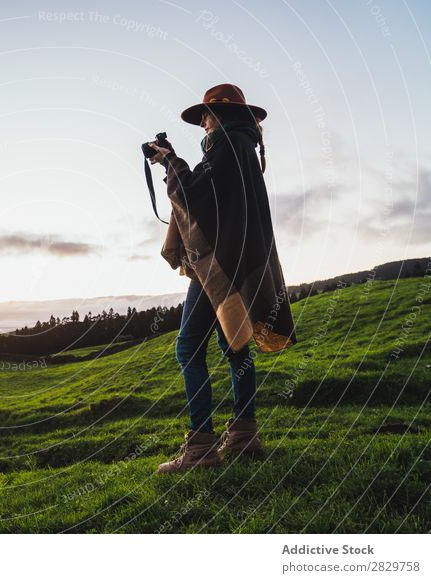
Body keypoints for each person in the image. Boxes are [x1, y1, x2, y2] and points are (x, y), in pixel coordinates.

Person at [146, 84, 298, 473]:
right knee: (234, 347)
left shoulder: (225, 146)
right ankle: (244, 435)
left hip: (220, 267)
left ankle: (200, 450)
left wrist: (171, 164)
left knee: (187, 349)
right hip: (242, 262)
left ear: (220, 116)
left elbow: (196, 199)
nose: (203, 125)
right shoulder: (243, 148)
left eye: (205, 117)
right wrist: (176, 162)